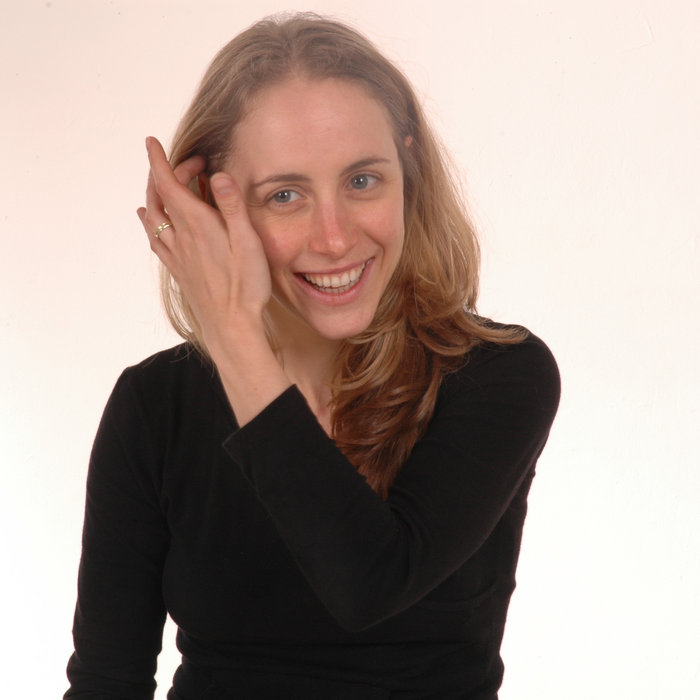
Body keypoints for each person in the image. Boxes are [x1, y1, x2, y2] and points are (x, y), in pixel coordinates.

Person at [64, 12, 560, 700]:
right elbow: (106, 682)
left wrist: (234, 335)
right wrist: (234, 333)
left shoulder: (497, 375)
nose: (333, 238)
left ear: (408, 170)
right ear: (209, 204)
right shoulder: (155, 406)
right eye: (285, 195)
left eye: (362, 182)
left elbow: (367, 584)